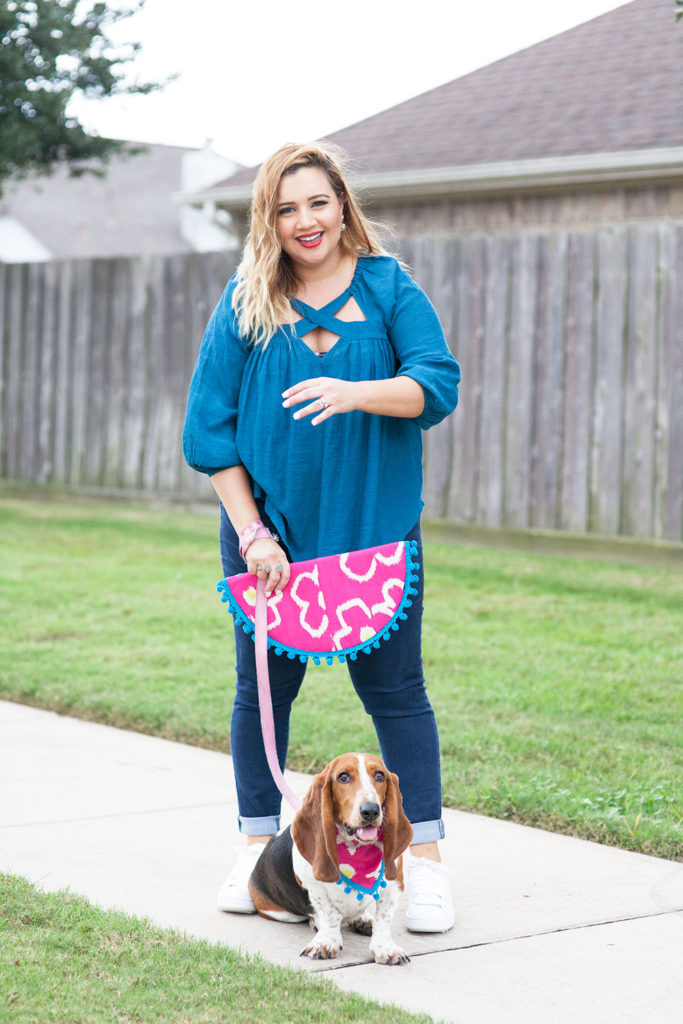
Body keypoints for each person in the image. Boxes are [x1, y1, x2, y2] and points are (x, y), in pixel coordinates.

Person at [182, 141, 461, 933]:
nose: (305, 221)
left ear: (342, 204)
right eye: (285, 207)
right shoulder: (245, 301)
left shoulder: (387, 286)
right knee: (261, 696)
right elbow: (210, 435)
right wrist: (253, 535)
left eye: (317, 202)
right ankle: (256, 845)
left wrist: (355, 390)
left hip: (374, 532)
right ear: (267, 219)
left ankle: (424, 863)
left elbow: (435, 384)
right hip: (271, 541)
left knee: (396, 695)